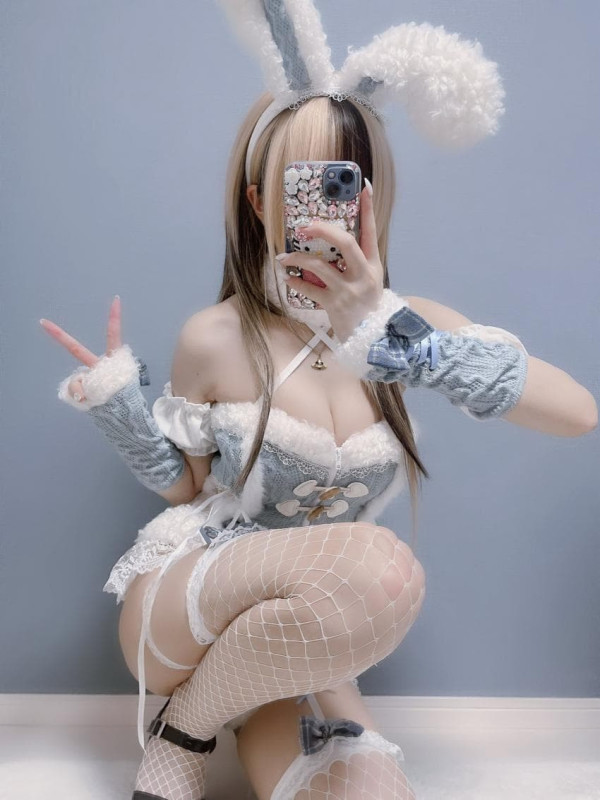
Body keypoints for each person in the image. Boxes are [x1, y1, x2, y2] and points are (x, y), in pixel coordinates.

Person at [39, 5, 597, 800]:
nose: (324, 210)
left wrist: (396, 341)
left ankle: (191, 723)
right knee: (383, 567)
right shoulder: (216, 335)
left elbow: (577, 412)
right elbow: (189, 488)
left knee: (374, 778)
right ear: (259, 202)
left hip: (298, 643)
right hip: (186, 606)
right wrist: (118, 407)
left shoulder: (411, 327)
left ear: (375, 196)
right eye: (303, 187)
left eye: (345, 183)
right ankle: (189, 721)